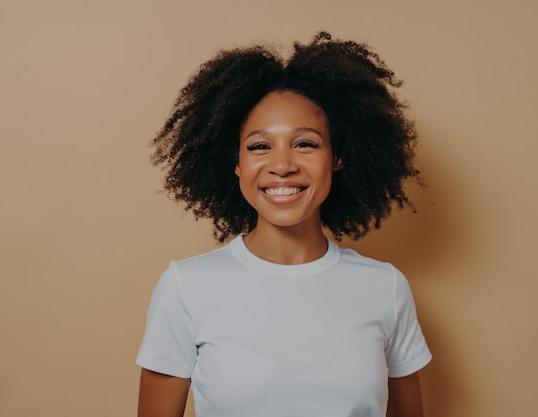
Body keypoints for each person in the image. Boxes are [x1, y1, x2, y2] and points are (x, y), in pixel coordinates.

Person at [136, 31, 431, 417]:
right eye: (259, 146)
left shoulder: (386, 288)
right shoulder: (185, 288)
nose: (282, 165)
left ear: (337, 156)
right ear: (236, 162)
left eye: (305, 143)